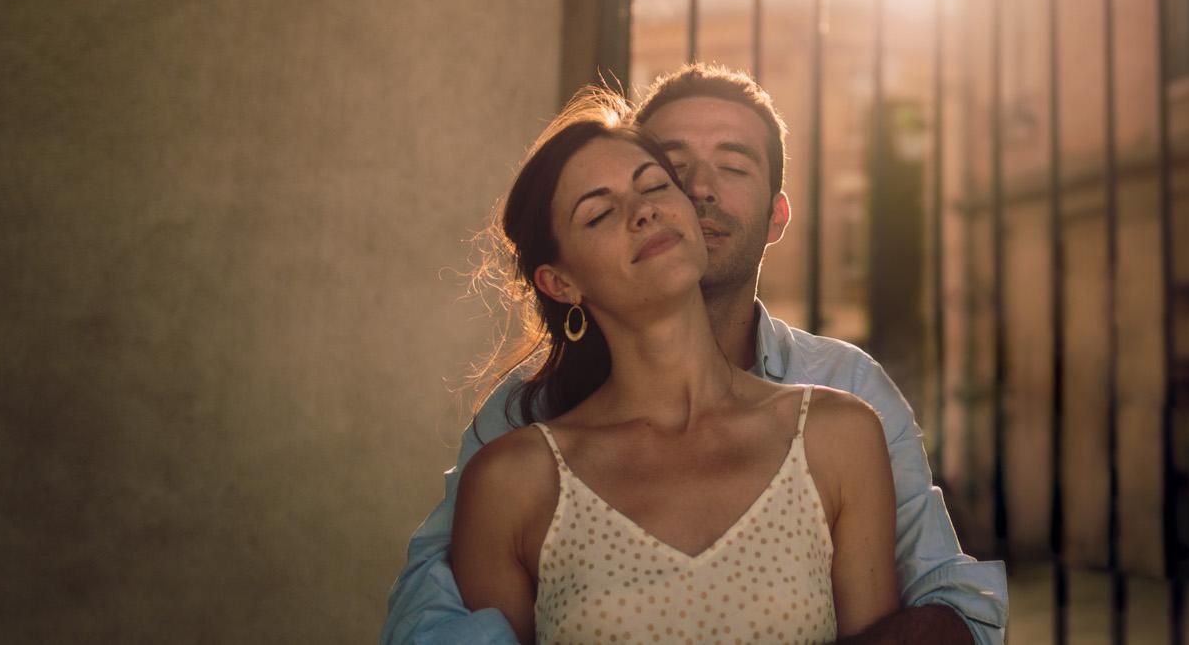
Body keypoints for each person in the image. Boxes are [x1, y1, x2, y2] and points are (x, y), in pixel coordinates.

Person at [382, 65, 1007, 645]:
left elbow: (946, 598)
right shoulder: (519, 429)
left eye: (733, 168)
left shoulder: (846, 405)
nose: (698, 191)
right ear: (559, 280)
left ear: (776, 218)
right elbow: (433, 608)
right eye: (673, 167)